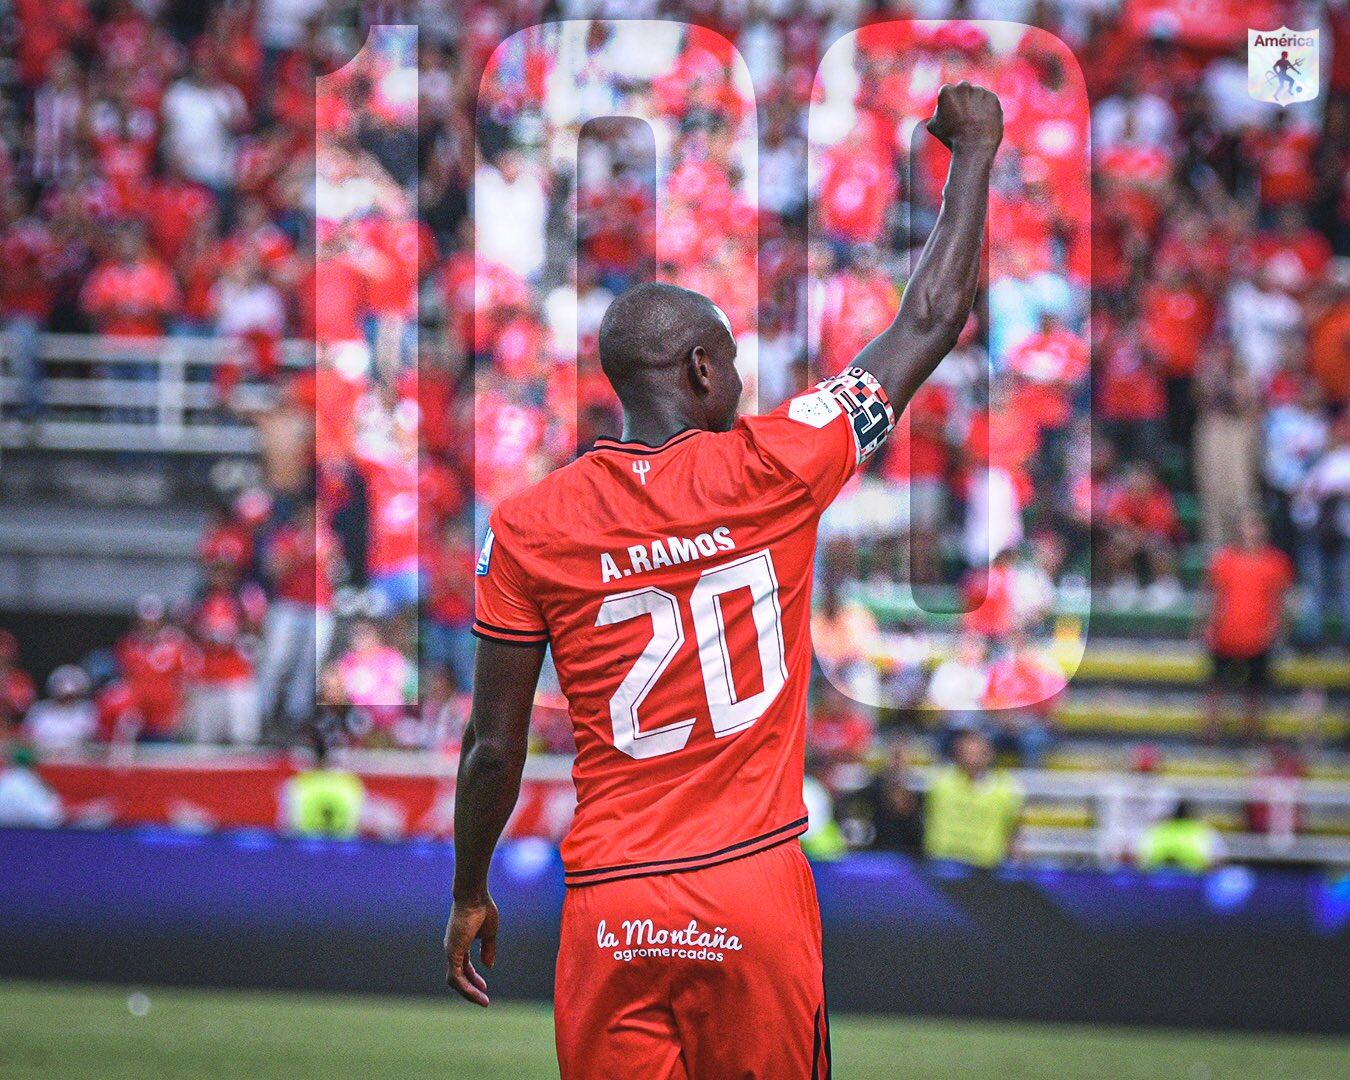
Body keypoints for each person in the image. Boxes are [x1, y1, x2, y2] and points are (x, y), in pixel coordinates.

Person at [446, 83, 1003, 1078]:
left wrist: (469, 890)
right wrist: (976, 149)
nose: (743, 380)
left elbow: (494, 747)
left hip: (611, 903)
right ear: (701, 369)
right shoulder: (779, 463)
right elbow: (933, 316)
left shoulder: (528, 528)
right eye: (734, 363)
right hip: (751, 890)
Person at [1201, 511, 1294, 743]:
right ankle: (1210, 732)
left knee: (1255, 689)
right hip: (1225, 634)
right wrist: (1205, 625)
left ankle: (1250, 734)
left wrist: (1279, 628)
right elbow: (1212, 596)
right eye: (1247, 527)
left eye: (1256, 527)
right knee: (1215, 687)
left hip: (1258, 637)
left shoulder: (1277, 562)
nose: (1251, 533)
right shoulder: (1223, 560)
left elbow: (1282, 600)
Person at [923, 728, 1023, 869]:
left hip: (986, 866)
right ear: (957, 755)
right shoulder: (940, 783)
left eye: (977, 753)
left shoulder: (1005, 788)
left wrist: (1016, 859)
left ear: (989, 755)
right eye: (967, 753)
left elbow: (1012, 829)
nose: (971, 759)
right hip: (944, 863)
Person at [1138, 801, 1225, 873]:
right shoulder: (1204, 830)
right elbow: (1218, 859)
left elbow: (1141, 860)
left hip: (1158, 881)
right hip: (1194, 880)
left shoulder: (1157, 829)